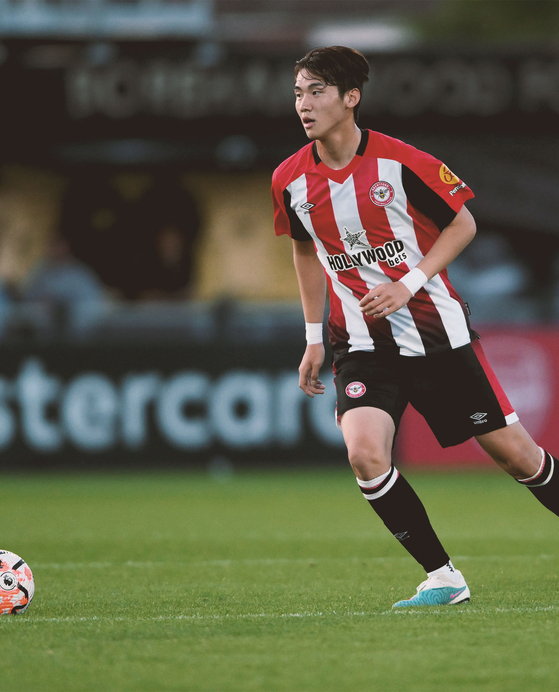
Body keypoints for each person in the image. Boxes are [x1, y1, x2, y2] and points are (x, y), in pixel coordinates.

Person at [271, 46, 559, 607]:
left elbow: (464, 223)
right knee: (365, 453)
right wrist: (310, 337)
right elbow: (305, 253)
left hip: (434, 337)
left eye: (317, 91)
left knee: (517, 456)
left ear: (350, 98)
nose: (304, 104)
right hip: (357, 343)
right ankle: (443, 576)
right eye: (299, 92)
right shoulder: (289, 179)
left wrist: (408, 282)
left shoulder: (401, 163)